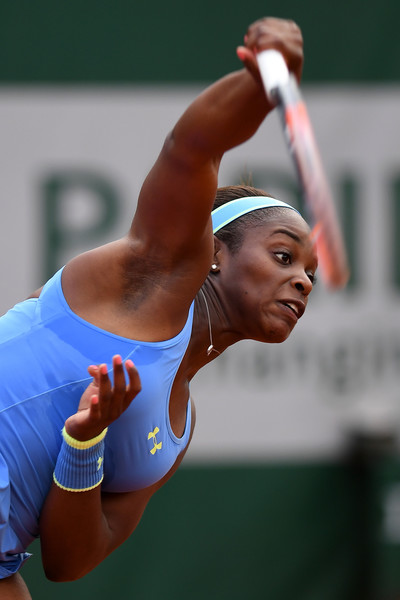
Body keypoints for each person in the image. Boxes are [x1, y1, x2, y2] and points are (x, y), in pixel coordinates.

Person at [0, 16, 318, 599]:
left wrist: (85, 441)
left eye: (310, 275)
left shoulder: (175, 435)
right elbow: (193, 146)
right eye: (282, 256)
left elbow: (69, 561)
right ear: (213, 252)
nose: (301, 281)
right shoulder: (149, 276)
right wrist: (263, 83)